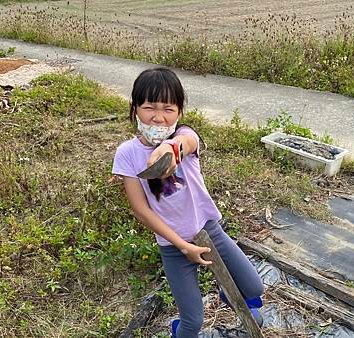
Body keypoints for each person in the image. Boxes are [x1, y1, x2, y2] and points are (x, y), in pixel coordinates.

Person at [112, 67, 264, 337]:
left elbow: (187, 142)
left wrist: (170, 149)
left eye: (168, 109)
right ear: (134, 108)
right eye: (149, 108)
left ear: (180, 112)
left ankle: (228, 294)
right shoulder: (127, 154)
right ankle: (178, 330)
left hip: (209, 231)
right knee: (192, 322)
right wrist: (183, 246)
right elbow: (140, 208)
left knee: (254, 289)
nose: (158, 118)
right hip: (174, 247)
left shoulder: (184, 135)